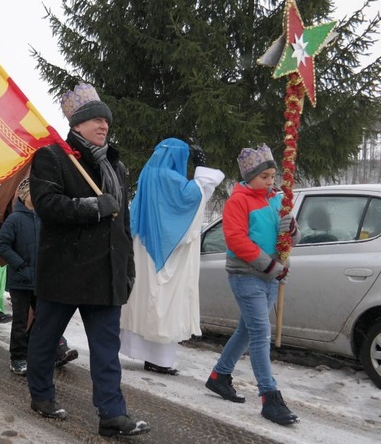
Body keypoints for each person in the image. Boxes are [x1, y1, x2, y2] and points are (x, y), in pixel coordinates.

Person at [27, 82, 149, 437]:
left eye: (106, 121)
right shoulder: (52, 157)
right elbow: (47, 206)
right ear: (76, 125)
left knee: (106, 349)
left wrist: (127, 267)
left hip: (105, 273)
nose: (103, 126)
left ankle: (112, 414)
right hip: (65, 270)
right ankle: (41, 395)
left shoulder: (116, 165)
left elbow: (122, 224)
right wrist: (93, 206)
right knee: (46, 338)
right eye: (95, 120)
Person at [204, 144, 300, 426]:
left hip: (272, 275)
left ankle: (219, 376)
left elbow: (292, 238)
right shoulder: (238, 201)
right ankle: (269, 397)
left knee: (246, 330)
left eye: (273, 176)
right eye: (265, 177)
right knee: (260, 332)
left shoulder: (278, 199)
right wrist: (270, 267)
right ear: (249, 177)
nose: (271, 182)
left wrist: (291, 230)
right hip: (246, 275)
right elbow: (236, 241)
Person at [119, 139, 224, 375]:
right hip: (168, 253)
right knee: (163, 301)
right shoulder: (168, 178)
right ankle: (158, 358)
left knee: (144, 299)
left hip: (142, 248)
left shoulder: (147, 176)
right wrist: (202, 167)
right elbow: (195, 196)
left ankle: (140, 351)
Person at [0, 177, 78, 376]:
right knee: (21, 322)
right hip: (21, 280)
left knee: (43, 320)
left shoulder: (45, 219)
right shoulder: (14, 219)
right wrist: (21, 265)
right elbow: (2, 246)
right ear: (24, 196)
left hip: (42, 279)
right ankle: (17, 358)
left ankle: (38, 353)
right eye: (34, 192)